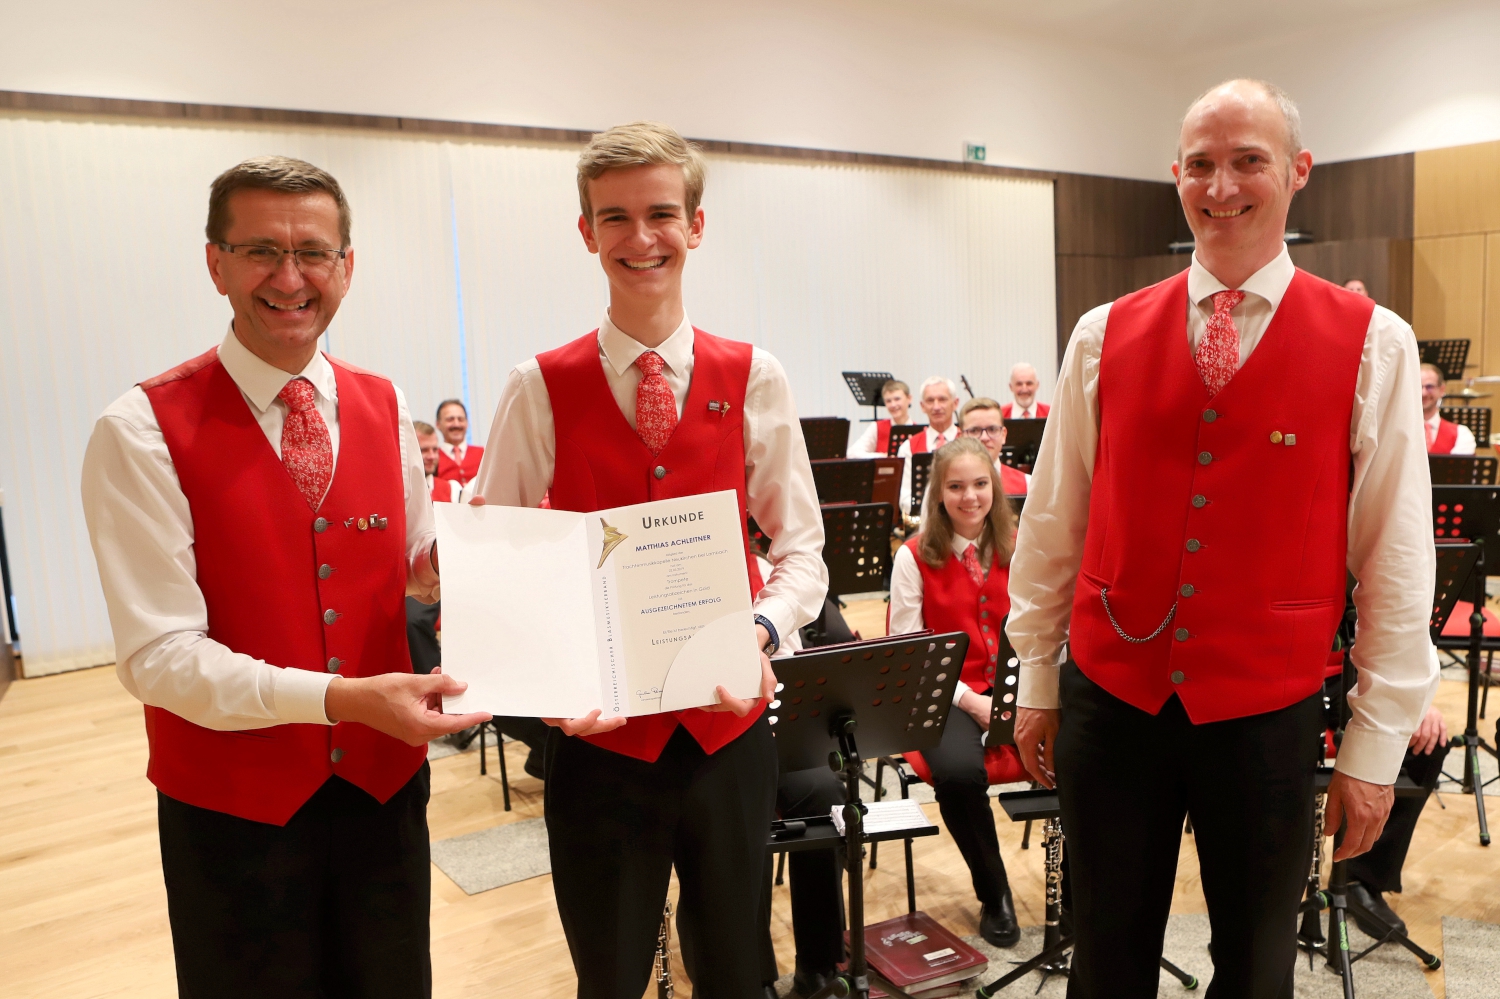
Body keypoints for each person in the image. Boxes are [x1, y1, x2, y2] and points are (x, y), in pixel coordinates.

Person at [1008, 80, 1437, 998]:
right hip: (1112, 698)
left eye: (1249, 160)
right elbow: (1052, 525)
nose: (1222, 185)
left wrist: (1373, 745)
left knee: (1255, 967)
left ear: (1297, 172)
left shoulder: (1375, 344)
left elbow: (1396, 560)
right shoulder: (1100, 335)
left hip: (1265, 712)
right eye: (1200, 164)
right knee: (1106, 957)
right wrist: (1037, 676)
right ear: (1176, 175)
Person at [79, 155, 490, 998]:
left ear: (348, 266)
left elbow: (412, 576)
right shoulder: (141, 430)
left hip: (384, 795)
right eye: (262, 250)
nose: (291, 277)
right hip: (233, 814)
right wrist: (338, 699)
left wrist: (465, 568)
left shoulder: (385, 404)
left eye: (315, 252)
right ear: (215, 263)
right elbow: (158, 658)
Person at [472, 121, 826, 999]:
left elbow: (802, 551)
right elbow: (498, 572)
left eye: (662, 214)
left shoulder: (758, 375)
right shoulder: (537, 385)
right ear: (586, 231)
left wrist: (759, 627)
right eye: (615, 217)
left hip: (728, 733)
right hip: (599, 745)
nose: (641, 238)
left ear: (696, 226)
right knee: (611, 971)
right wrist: (549, 683)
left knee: (740, 970)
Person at [888, 437, 1022, 947]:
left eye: (981, 484)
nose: (970, 497)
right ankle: (995, 894)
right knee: (960, 773)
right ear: (938, 493)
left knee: (1089, 751)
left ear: (996, 486)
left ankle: (1079, 897)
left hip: (1016, 683)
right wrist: (972, 702)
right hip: (942, 690)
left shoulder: (1022, 543)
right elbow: (911, 650)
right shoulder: (913, 555)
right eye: (957, 486)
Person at [1342, 702, 1450, 937]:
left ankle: (1360, 879)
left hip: (1366, 677)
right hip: (1301, 683)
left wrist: (1418, 700)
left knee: (1428, 742)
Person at [897, 376, 960, 517]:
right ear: (922, 406)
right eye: (930, 401)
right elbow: (905, 494)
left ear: (955, 403)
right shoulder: (908, 447)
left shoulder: (970, 442)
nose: (936, 407)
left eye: (942, 399)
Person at [959, 397, 1029, 496]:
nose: (984, 437)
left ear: (1003, 435)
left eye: (992, 429)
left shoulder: (1028, 483)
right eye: (974, 431)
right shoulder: (945, 485)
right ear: (960, 436)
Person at [849, 378, 916, 457]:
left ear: (909, 398)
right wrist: (883, 456)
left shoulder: (920, 431)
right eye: (888, 401)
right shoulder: (877, 427)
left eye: (897, 399)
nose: (893, 405)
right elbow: (852, 453)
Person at [1421, 363, 1476, 454]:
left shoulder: (1461, 434)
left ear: (1442, 390)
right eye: (1418, 386)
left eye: (1429, 387)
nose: (1423, 393)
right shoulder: (1398, 432)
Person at [434, 398, 483, 487]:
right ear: (438, 424)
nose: (456, 424)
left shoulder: (484, 454)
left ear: (467, 423)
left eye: (460, 419)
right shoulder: (432, 458)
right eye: (450, 419)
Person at [416, 420, 463, 502]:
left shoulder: (452, 490)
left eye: (435, 450)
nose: (432, 456)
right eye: (424, 450)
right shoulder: (399, 491)